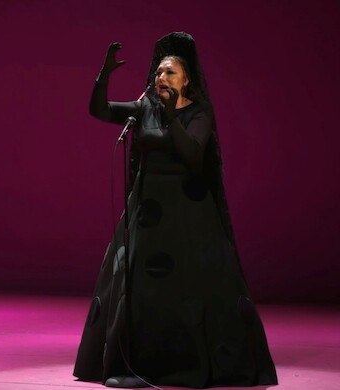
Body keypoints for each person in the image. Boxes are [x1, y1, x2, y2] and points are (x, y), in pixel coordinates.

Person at [73, 32, 278, 388]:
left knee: (185, 289)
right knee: (139, 286)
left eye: (169, 72)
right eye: (158, 73)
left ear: (186, 80)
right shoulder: (144, 107)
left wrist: (170, 114)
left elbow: (192, 154)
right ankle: (133, 365)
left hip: (187, 214)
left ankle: (186, 365)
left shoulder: (199, 112)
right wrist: (103, 76)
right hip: (148, 210)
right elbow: (99, 110)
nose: (160, 78)